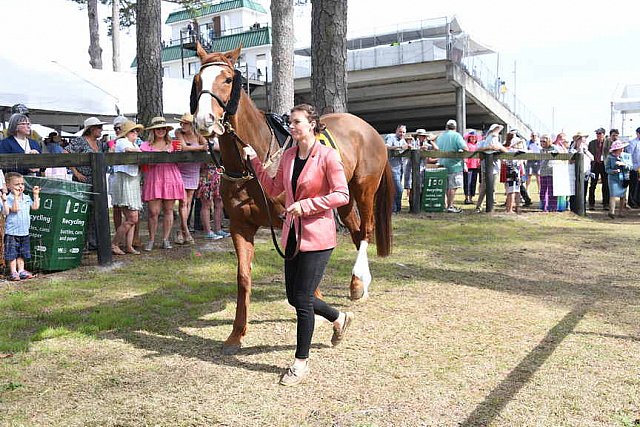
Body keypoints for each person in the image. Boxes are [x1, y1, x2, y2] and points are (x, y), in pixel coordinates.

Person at [243, 104, 354, 387]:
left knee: (302, 300)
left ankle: (300, 362)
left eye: (296, 122)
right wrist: (254, 160)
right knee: (294, 297)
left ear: (312, 124)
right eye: (290, 123)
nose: (291, 127)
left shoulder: (328, 156)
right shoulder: (290, 155)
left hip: (318, 237)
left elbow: (341, 194)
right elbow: (273, 188)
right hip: (292, 234)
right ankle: (339, 317)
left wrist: (309, 204)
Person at [65, 117, 109, 251]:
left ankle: (94, 242)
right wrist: (76, 172)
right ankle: (81, 242)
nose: (101, 130)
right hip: (83, 180)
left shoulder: (100, 144)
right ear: (91, 129)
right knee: (83, 211)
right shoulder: (80, 141)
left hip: (97, 180)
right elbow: (66, 153)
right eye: (99, 127)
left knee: (97, 210)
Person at [140, 116, 184, 251]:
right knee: (153, 212)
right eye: (157, 128)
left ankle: (165, 239)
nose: (160, 130)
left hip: (171, 177)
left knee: (169, 210)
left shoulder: (174, 144)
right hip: (154, 178)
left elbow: (183, 158)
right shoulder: (145, 145)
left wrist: (178, 151)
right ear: (153, 131)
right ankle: (152, 239)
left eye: (163, 128)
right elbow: (143, 162)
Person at [110, 120, 144, 255]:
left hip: (133, 179)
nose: (135, 133)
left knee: (132, 217)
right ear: (126, 133)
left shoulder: (133, 143)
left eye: (136, 131)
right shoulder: (122, 141)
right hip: (124, 179)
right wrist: (140, 151)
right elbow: (129, 151)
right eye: (133, 131)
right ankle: (114, 243)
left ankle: (129, 246)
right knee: (132, 217)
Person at [174, 113, 208, 245]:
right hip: (181, 169)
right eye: (182, 123)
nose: (183, 125)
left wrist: (202, 146)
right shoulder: (178, 133)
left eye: (186, 123)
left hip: (193, 170)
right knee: (183, 202)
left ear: (192, 124)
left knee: (188, 201)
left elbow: (207, 144)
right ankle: (185, 231)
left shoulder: (198, 134)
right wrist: (200, 148)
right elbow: (183, 147)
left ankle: (181, 230)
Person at [1, 172, 40, 281]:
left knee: (22, 253)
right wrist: (16, 197)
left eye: (22, 184)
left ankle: (21, 270)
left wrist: (36, 195)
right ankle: (13, 271)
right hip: (12, 232)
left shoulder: (26, 197)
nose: (20, 186)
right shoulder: (8, 198)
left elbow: (35, 207)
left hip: (24, 231)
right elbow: (15, 209)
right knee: (12, 253)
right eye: (17, 184)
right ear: (8, 186)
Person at [195, 137, 229, 239]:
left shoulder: (218, 137)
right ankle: (208, 231)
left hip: (218, 172)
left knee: (219, 202)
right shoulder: (201, 136)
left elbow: (223, 148)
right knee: (206, 203)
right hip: (206, 173)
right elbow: (207, 146)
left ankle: (218, 229)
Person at [435, 119, 467, 212]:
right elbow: (465, 148)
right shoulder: (457, 135)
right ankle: (450, 206)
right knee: (452, 187)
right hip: (454, 165)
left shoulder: (440, 136)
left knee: (446, 187)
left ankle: (446, 205)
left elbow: (437, 148)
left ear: (446, 126)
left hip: (442, 164)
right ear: (455, 127)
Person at [475, 124, 507, 212]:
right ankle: (479, 206)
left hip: (495, 169)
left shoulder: (496, 142)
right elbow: (477, 149)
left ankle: (491, 205)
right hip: (485, 168)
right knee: (484, 187)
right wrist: (488, 148)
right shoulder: (483, 142)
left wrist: (499, 148)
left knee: (492, 188)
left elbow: (505, 150)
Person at [605, 140, 633, 219]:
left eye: (622, 148)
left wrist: (623, 164)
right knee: (613, 194)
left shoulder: (627, 156)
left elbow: (631, 167)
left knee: (622, 196)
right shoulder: (610, 157)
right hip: (613, 178)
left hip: (624, 178)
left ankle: (621, 212)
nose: (622, 150)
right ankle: (611, 212)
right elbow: (607, 169)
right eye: (620, 148)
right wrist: (613, 171)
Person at [385, 124, 409, 213]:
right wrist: (399, 147)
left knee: (397, 189)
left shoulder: (403, 140)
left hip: (401, 168)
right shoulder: (391, 137)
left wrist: (408, 147)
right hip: (392, 168)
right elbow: (386, 147)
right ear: (396, 131)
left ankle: (397, 209)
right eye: (400, 131)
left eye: (403, 132)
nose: (402, 134)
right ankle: (394, 208)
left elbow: (406, 147)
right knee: (398, 189)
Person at [587, 127, 610, 210]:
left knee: (606, 184)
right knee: (593, 185)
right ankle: (591, 204)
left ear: (603, 134)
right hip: (595, 165)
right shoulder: (592, 143)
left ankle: (606, 204)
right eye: (597, 133)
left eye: (600, 133)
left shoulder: (608, 142)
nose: (598, 135)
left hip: (604, 165)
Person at [538, 134, 559, 212]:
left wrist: (549, 153)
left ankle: (552, 207)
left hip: (551, 172)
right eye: (541, 141)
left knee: (551, 191)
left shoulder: (554, 147)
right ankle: (542, 206)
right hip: (543, 172)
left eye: (544, 141)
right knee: (542, 190)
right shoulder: (541, 150)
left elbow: (557, 153)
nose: (542, 143)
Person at [463, 131, 480, 205]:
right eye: (472, 137)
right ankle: (467, 198)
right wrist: (465, 164)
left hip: (475, 166)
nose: (473, 138)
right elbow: (465, 156)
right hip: (468, 166)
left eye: (475, 137)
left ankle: (471, 198)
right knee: (467, 182)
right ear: (469, 138)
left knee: (473, 182)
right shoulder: (467, 145)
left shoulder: (478, 146)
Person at [626, 127, 640, 208]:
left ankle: (638, 201)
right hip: (634, 167)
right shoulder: (632, 142)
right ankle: (632, 202)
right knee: (633, 185)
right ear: (637, 133)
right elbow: (629, 155)